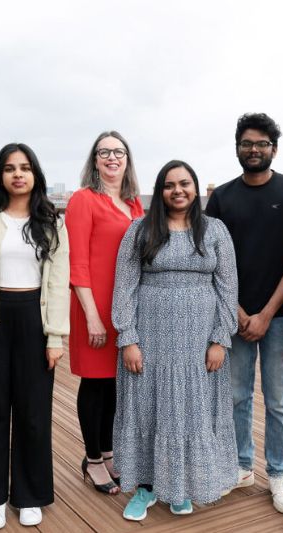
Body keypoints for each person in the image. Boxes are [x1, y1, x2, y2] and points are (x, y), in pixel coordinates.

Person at [112, 160, 239, 521]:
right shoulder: (140, 230)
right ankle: (146, 487)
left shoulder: (215, 231)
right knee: (149, 410)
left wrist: (220, 338)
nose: (177, 190)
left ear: (195, 188)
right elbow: (124, 286)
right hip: (149, 340)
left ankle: (181, 487)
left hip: (199, 344)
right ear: (160, 190)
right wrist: (128, 338)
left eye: (184, 183)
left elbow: (228, 286)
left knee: (191, 412)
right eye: (169, 185)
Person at [205, 112, 283, 514]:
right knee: (235, 396)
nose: (254, 150)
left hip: (280, 318)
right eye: (247, 143)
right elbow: (211, 260)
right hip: (233, 316)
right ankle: (241, 465)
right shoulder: (222, 198)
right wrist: (237, 311)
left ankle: (279, 473)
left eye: (262, 144)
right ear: (237, 148)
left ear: (274, 149)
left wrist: (266, 314)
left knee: (279, 400)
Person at [0, 143, 69, 528]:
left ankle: (29, 495)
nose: (18, 174)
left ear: (35, 175)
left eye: (25, 168)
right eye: (9, 169)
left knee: (34, 410)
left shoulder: (52, 222)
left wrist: (55, 336)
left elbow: (58, 282)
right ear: (0, 176)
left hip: (34, 320)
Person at [66, 131, 145, 495]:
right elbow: (77, 261)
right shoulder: (84, 200)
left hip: (126, 310)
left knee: (115, 385)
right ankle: (93, 459)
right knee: (95, 383)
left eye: (118, 151)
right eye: (104, 152)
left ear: (127, 159)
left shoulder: (135, 206)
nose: (112, 157)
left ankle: (110, 453)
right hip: (93, 308)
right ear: (94, 160)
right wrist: (93, 315)